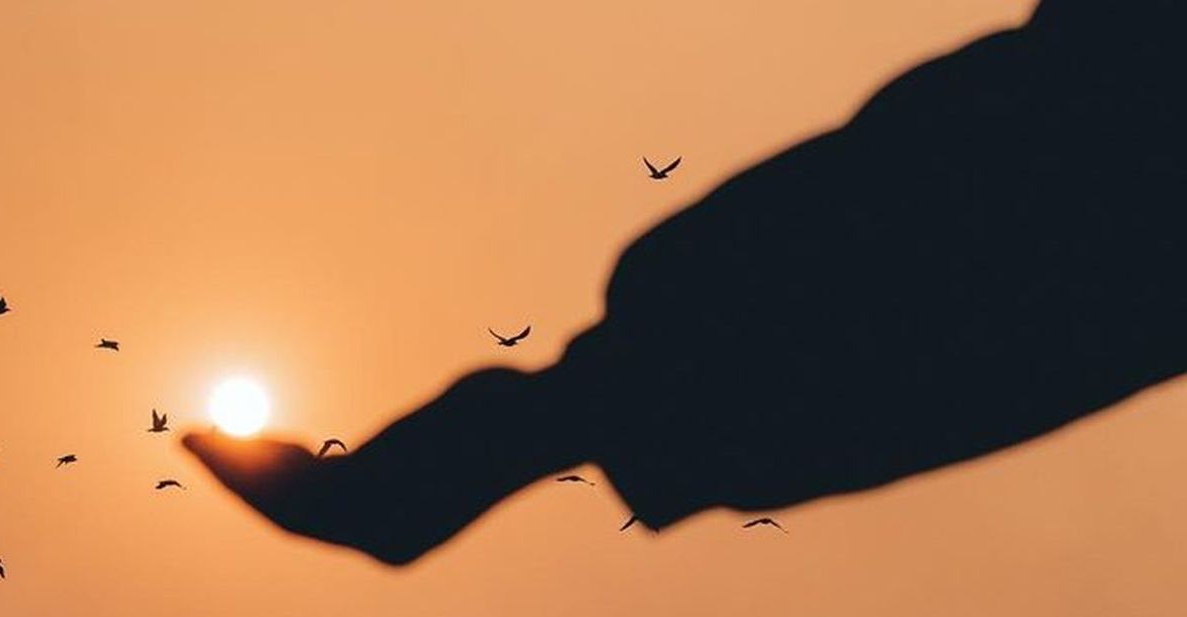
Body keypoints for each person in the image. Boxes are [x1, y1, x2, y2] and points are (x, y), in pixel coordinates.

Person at [184, 0, 1186, 565]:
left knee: (776, 326)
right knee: (751, 316)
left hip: (1074, 186)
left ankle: (405, 492)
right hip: (1053, 169)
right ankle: (405, 491)